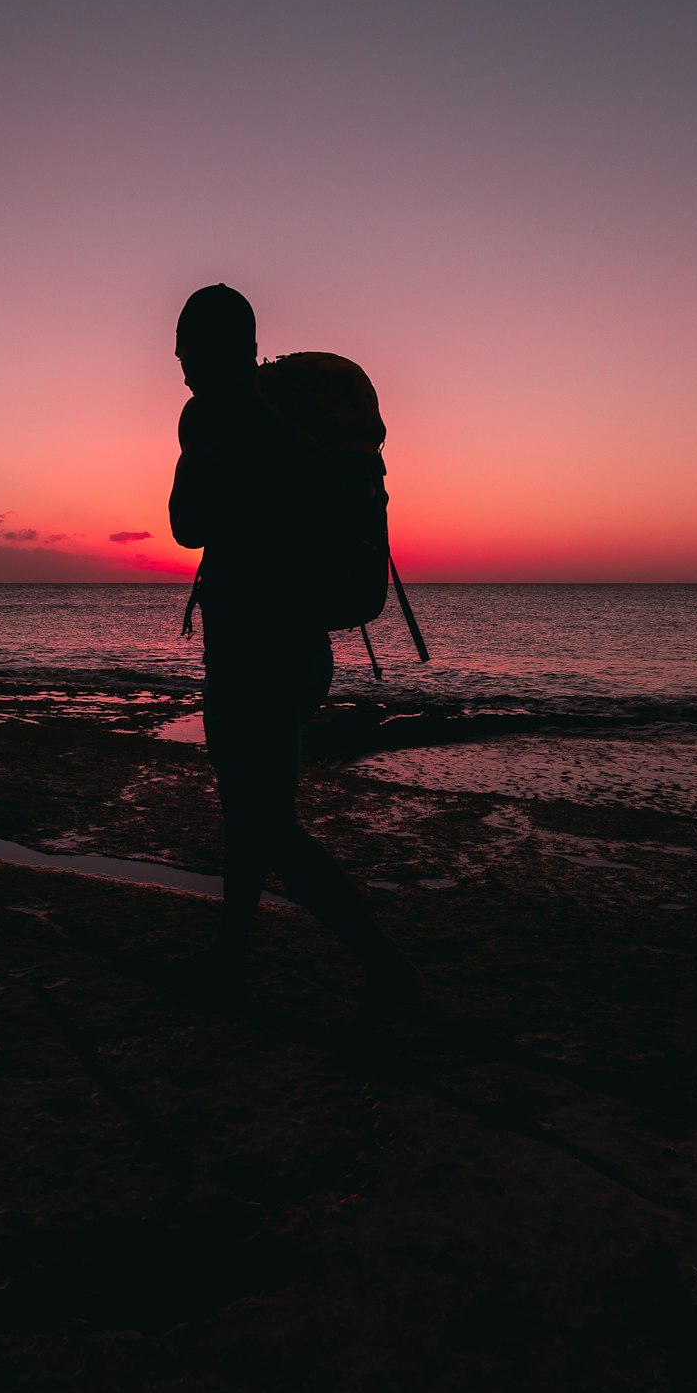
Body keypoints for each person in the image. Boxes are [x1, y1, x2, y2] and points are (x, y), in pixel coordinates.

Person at [169, 283, 422, 1003]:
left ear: (210, 347)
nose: (179, 364)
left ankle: (384, 966)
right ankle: (230, 954)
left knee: (263, 820)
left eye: (185, 346)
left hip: (250, 646)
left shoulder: (218, 415)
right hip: (304, 646)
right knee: (253, 811)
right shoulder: (297, 419)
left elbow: (187, 524)